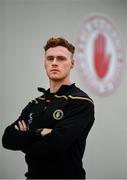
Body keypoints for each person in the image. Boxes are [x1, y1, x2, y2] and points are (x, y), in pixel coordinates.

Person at [2, 37, 95, 179]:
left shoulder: (81, 102)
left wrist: (24, 140)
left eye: (61, 59)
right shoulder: (35, 103)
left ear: (72, 63)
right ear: (44, 63)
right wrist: (39, 133)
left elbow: (55, 145)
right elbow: (7, 139)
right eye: (50, 58)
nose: (54, 63)